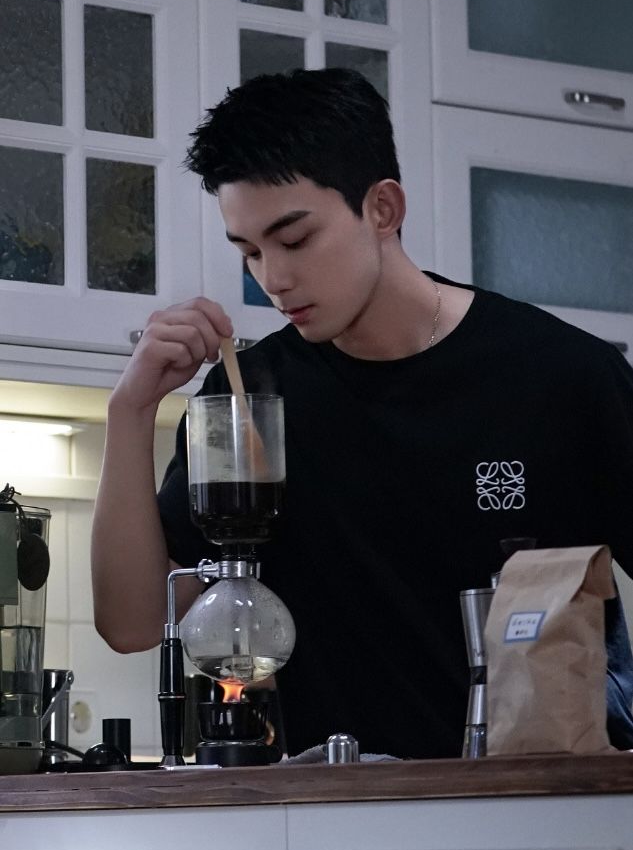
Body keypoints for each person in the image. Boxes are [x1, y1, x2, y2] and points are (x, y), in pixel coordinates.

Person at [92, 67, 633, 759]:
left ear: (381, 208)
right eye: (249, 251)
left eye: (294, 239)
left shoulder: (561, 376)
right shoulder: (249, 399)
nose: (272, 277)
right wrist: (130, 409)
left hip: (540, 809)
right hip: (327, 822)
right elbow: (135, 621)